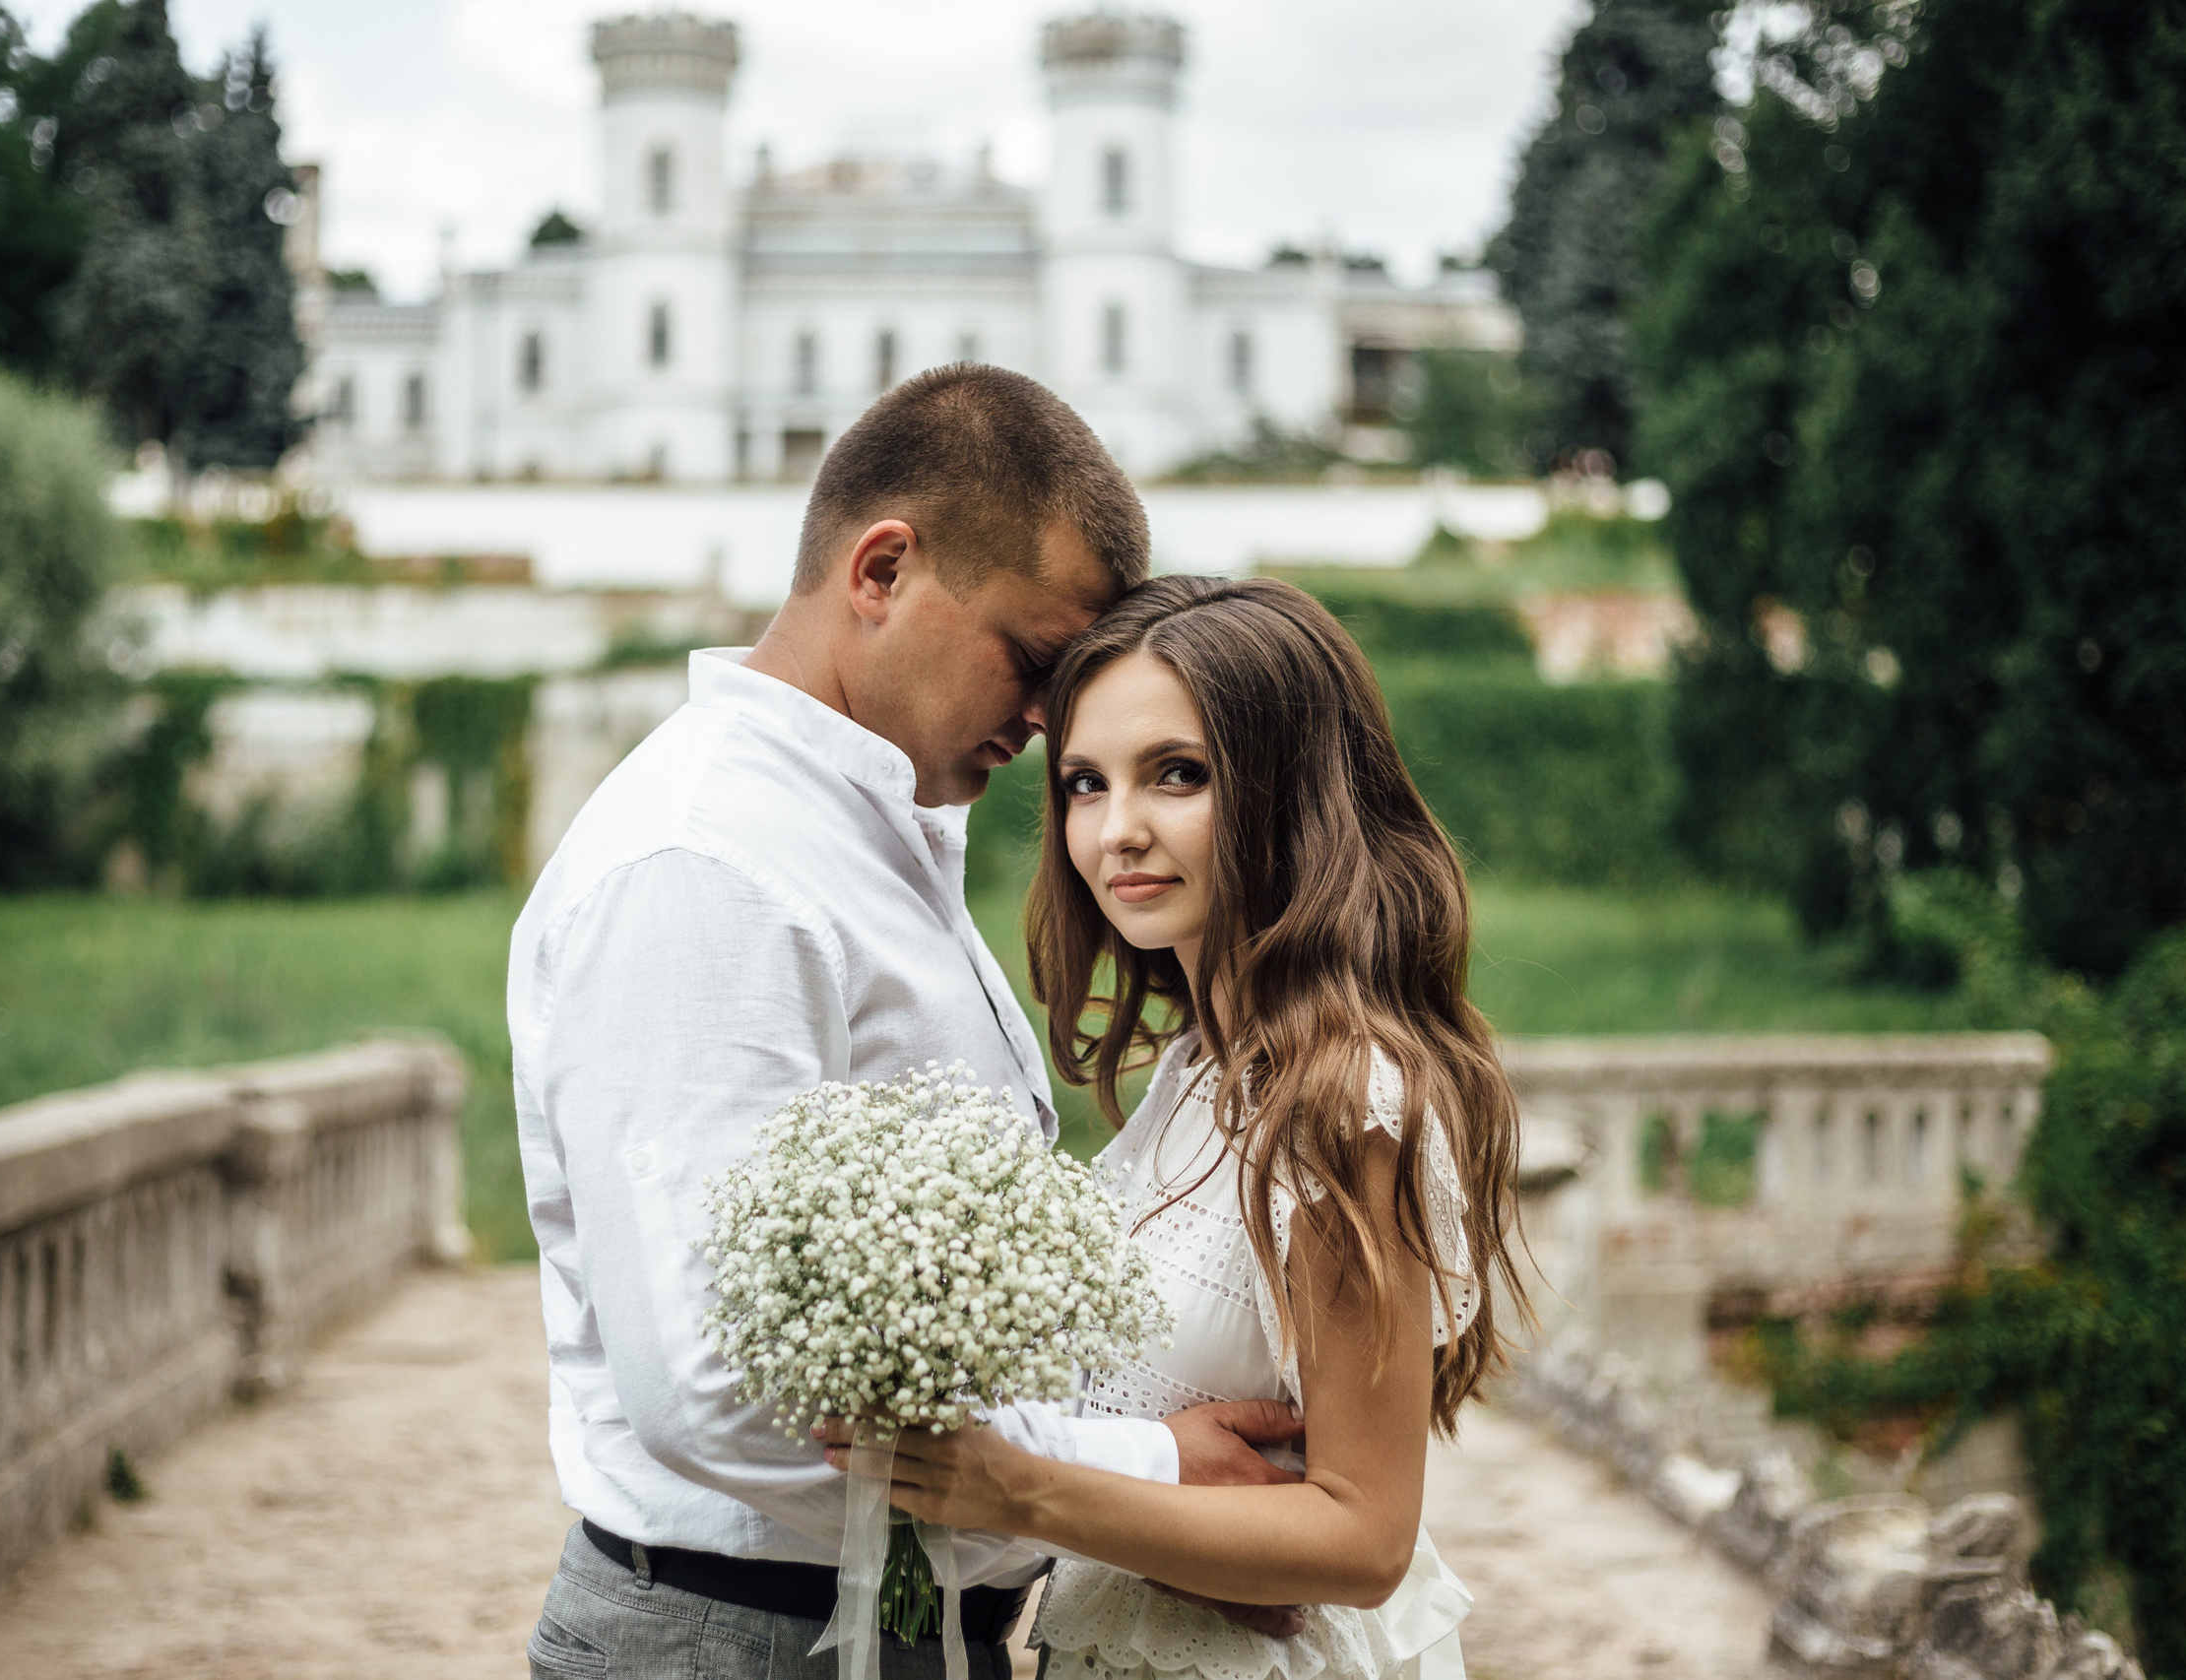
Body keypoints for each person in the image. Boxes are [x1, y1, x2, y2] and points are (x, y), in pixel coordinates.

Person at [510, 369, 1311, 1680]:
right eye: (1039, 658)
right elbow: (719, 1389)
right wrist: (1150, 1478)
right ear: (881, 570)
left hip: (886, 1625)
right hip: (747, 1637)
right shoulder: (705, 863)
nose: (1057, 718)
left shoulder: (865, 840)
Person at [819, 575, 1530, 1680]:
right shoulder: (1197, 1067)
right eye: (1084, 783)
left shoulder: (1346, 1103)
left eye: (1178, 775)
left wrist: (1015, 1485)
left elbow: (1364, 1534)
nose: (1118, 830)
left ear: (1290, 787)